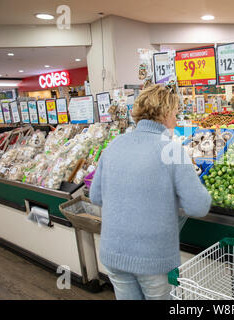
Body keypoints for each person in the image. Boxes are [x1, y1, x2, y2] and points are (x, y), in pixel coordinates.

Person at [90, 84, 212, 300]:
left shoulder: (115, 145)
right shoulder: (172, 149)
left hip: (114, 254)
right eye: (175, 113)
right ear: (164, 114)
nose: (176, 119)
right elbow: (198, 206)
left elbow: (95, 197)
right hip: (153, 260)